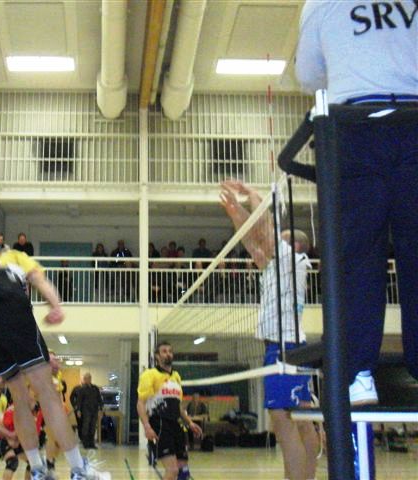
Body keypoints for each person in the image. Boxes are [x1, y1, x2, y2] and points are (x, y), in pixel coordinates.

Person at [295, 0, 418, 404]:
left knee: (357, 256)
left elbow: (307, 75)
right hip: (413, 121)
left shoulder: (321, 4)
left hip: (355, 128)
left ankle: (357, 372)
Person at [0, 245, 110, 480]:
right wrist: (56, 305)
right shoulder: (15, 256)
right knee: (47, 393)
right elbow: (38, 280)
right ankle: (79, 469)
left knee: (19, 399)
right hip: (9, 305)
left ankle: (37, 469)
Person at [220, 180, 318, 480]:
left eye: (280, 240)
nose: (270, 244)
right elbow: (253, 241)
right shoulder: (278, 267)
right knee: (301, 420)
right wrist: (235, 212)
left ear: (293, 246)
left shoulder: (291, 259)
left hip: (283, 349)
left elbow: (263, 230)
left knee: (283, 420)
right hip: (292, 346)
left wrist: (251, 195)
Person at [137, 342, 202, 480]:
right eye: (164, 351)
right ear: (157, 356)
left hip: (176, 425)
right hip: (160, 424)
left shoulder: (176, 376)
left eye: (170, 351)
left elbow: (178, 406)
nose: (168, 354)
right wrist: (147, 427)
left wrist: (190, 423)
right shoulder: (150, 375)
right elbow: (140, 403)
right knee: (172, 471)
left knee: (183, 472)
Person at [74, 373, 103, 449]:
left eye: (89, 378)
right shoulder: (82, 389)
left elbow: (99, 399)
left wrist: (101, 409)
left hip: (94, 410)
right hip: (86, 410)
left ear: (90, 379)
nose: (87, 379)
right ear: (84, 379)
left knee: (93, 427)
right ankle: (85, 443)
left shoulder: (95, 388)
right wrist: (78, 410)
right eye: (86, 378)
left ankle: (92, 443)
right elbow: (79, 400)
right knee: (86, 427)